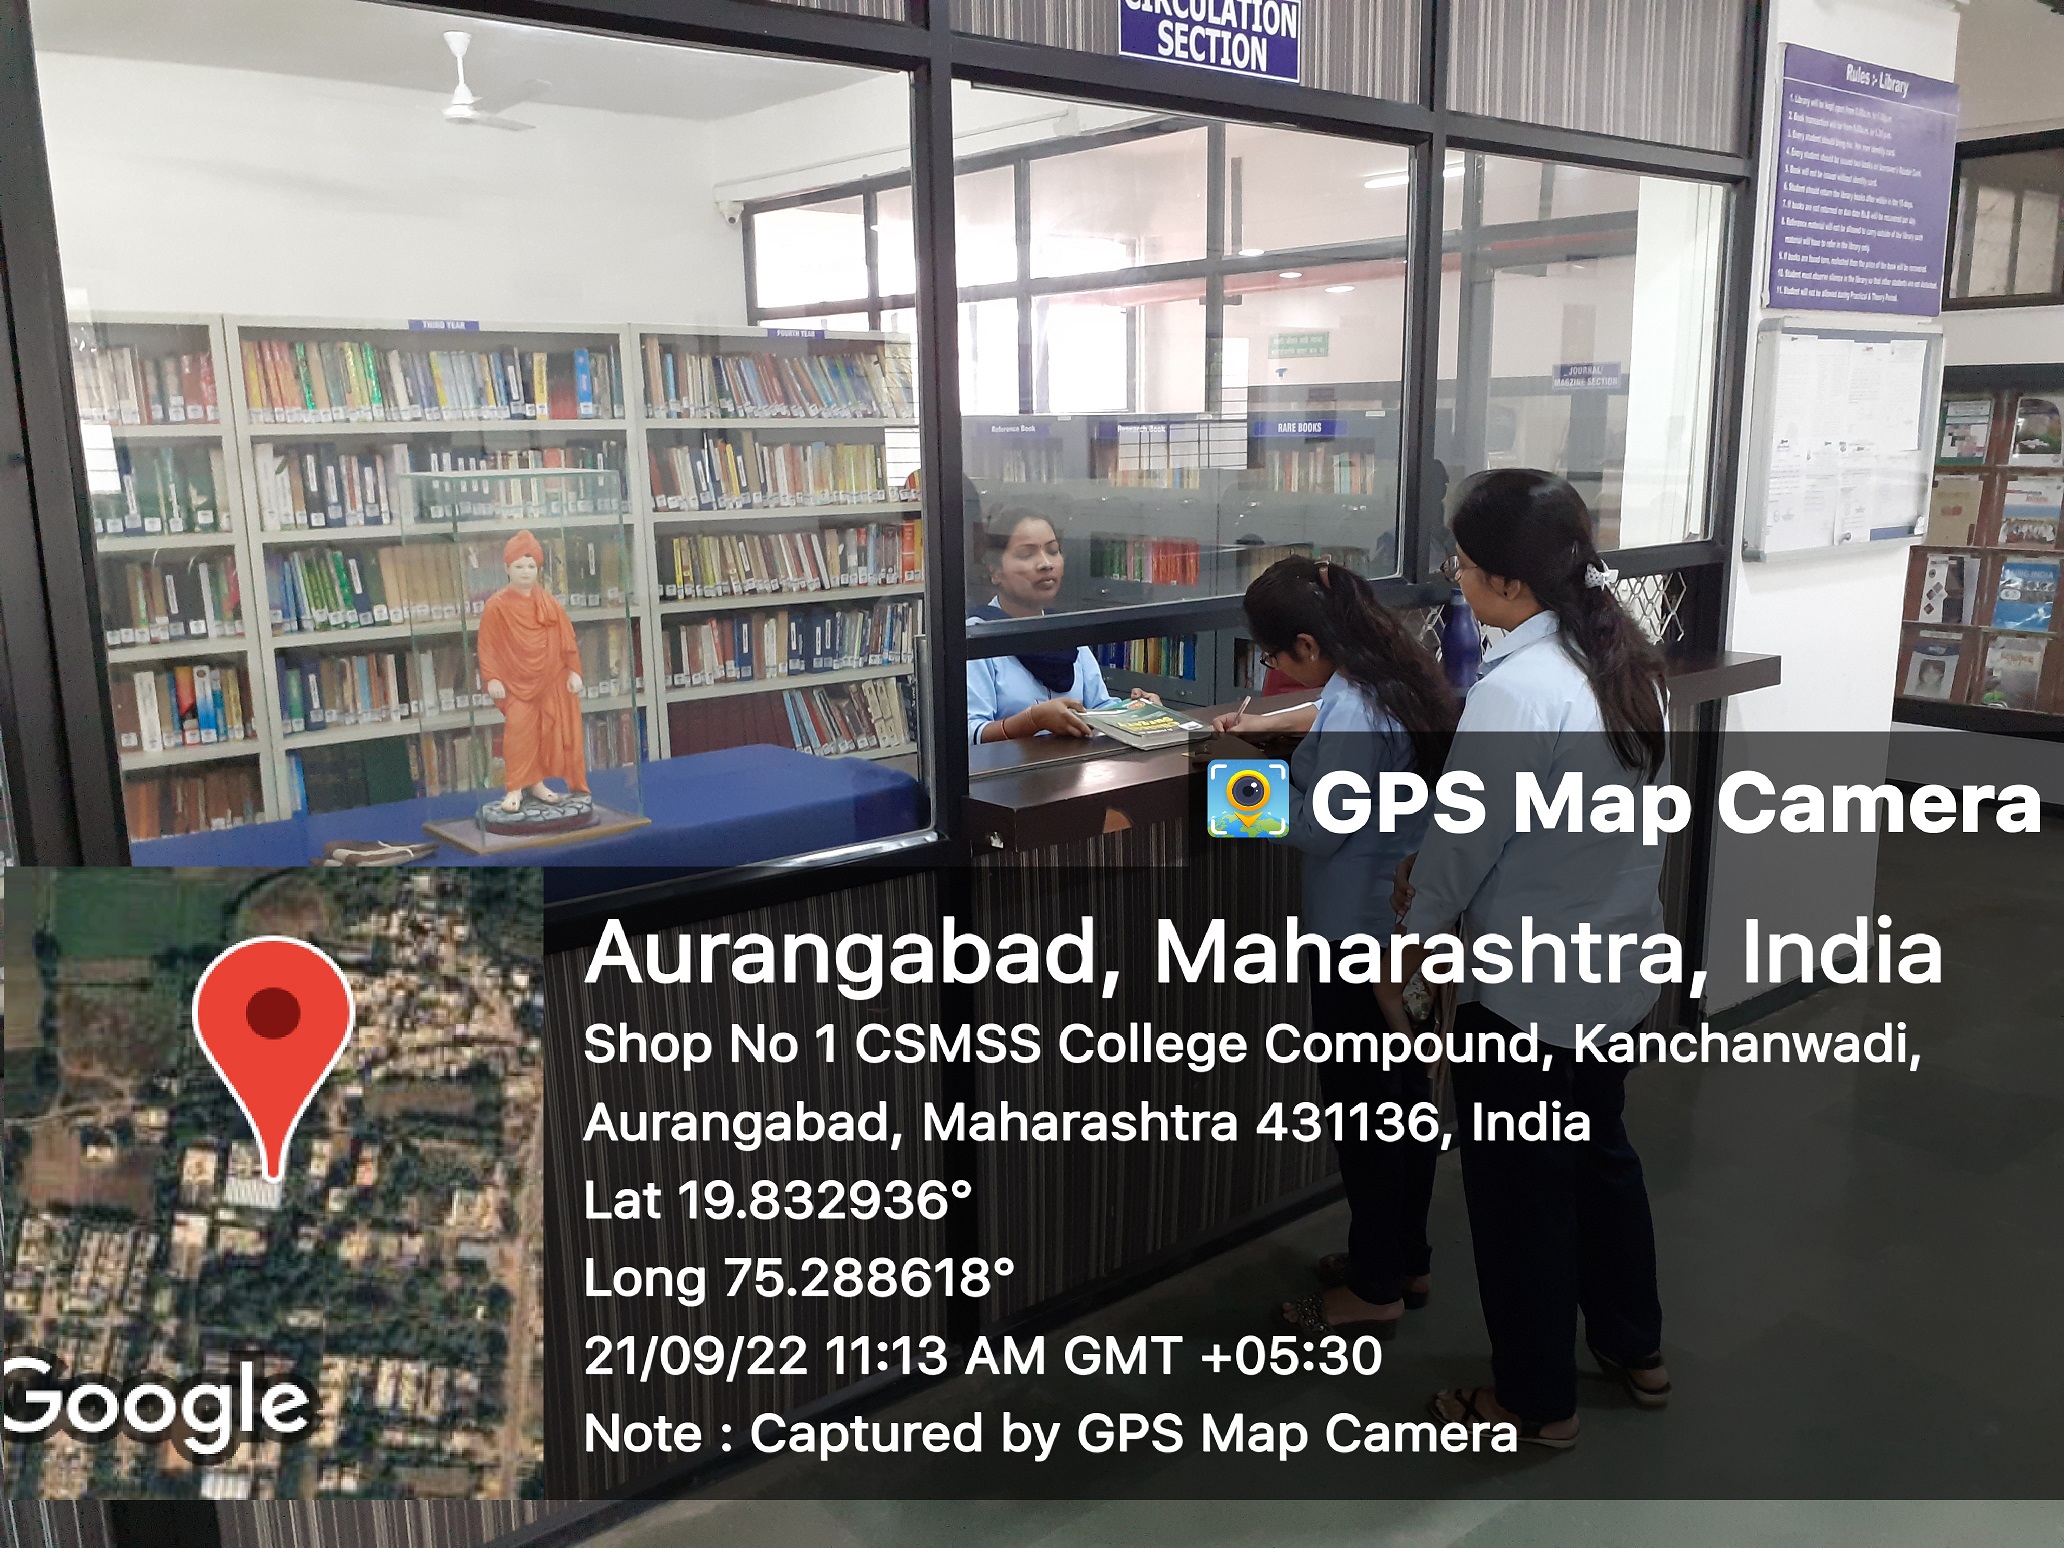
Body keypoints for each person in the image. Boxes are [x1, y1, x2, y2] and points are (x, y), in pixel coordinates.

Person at [1378, 468, 1673, 1448]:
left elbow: (1463, 846)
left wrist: (1411, 948)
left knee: (1521, 1199)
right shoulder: (1626, 662)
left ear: (1508, 580)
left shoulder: (1519, 691)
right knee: (1601, 1159)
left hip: (1527, 1000)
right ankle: (1636, 1347)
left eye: (1463, 565)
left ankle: (1533, 1402)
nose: (1456, 581)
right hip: (1616, 970)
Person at [1214, 556, 1456, 1339]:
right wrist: (1270, 732)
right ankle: (1405, 1259)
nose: (1277, 670)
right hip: (1407, 936)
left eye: (1275, 656)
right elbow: (1331, 732)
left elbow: (1320, 828)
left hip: (1355, 940)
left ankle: (1375, 1287)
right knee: (1405, 1104)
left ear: (1308, 645)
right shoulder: (1397, 677)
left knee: (1367, 1116)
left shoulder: (1354, 706)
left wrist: (1229, 784)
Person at [967, 508, 1156, 744]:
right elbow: (969, 736)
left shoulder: (1064, 631)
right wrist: (1032, 721)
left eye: (1053, 551)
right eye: (1026, 554)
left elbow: (1099, 709)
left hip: (1074, 766)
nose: (1046, 564)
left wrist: (1139, 711)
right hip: (1008, 768)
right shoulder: (978, 638)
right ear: (995, 571)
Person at [476, 529, 588, 811]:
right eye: (519, 567)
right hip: (515, 683)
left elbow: (567, 640)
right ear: (506, 568)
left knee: (544, 734)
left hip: (550, 680)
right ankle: (514, 788)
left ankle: (537, 784)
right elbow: (487, 646)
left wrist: (574, 672)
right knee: (518, 733)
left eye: (531, 566)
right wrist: (492, 678)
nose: (526, 572)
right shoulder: (496, 606)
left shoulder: (550, 603)